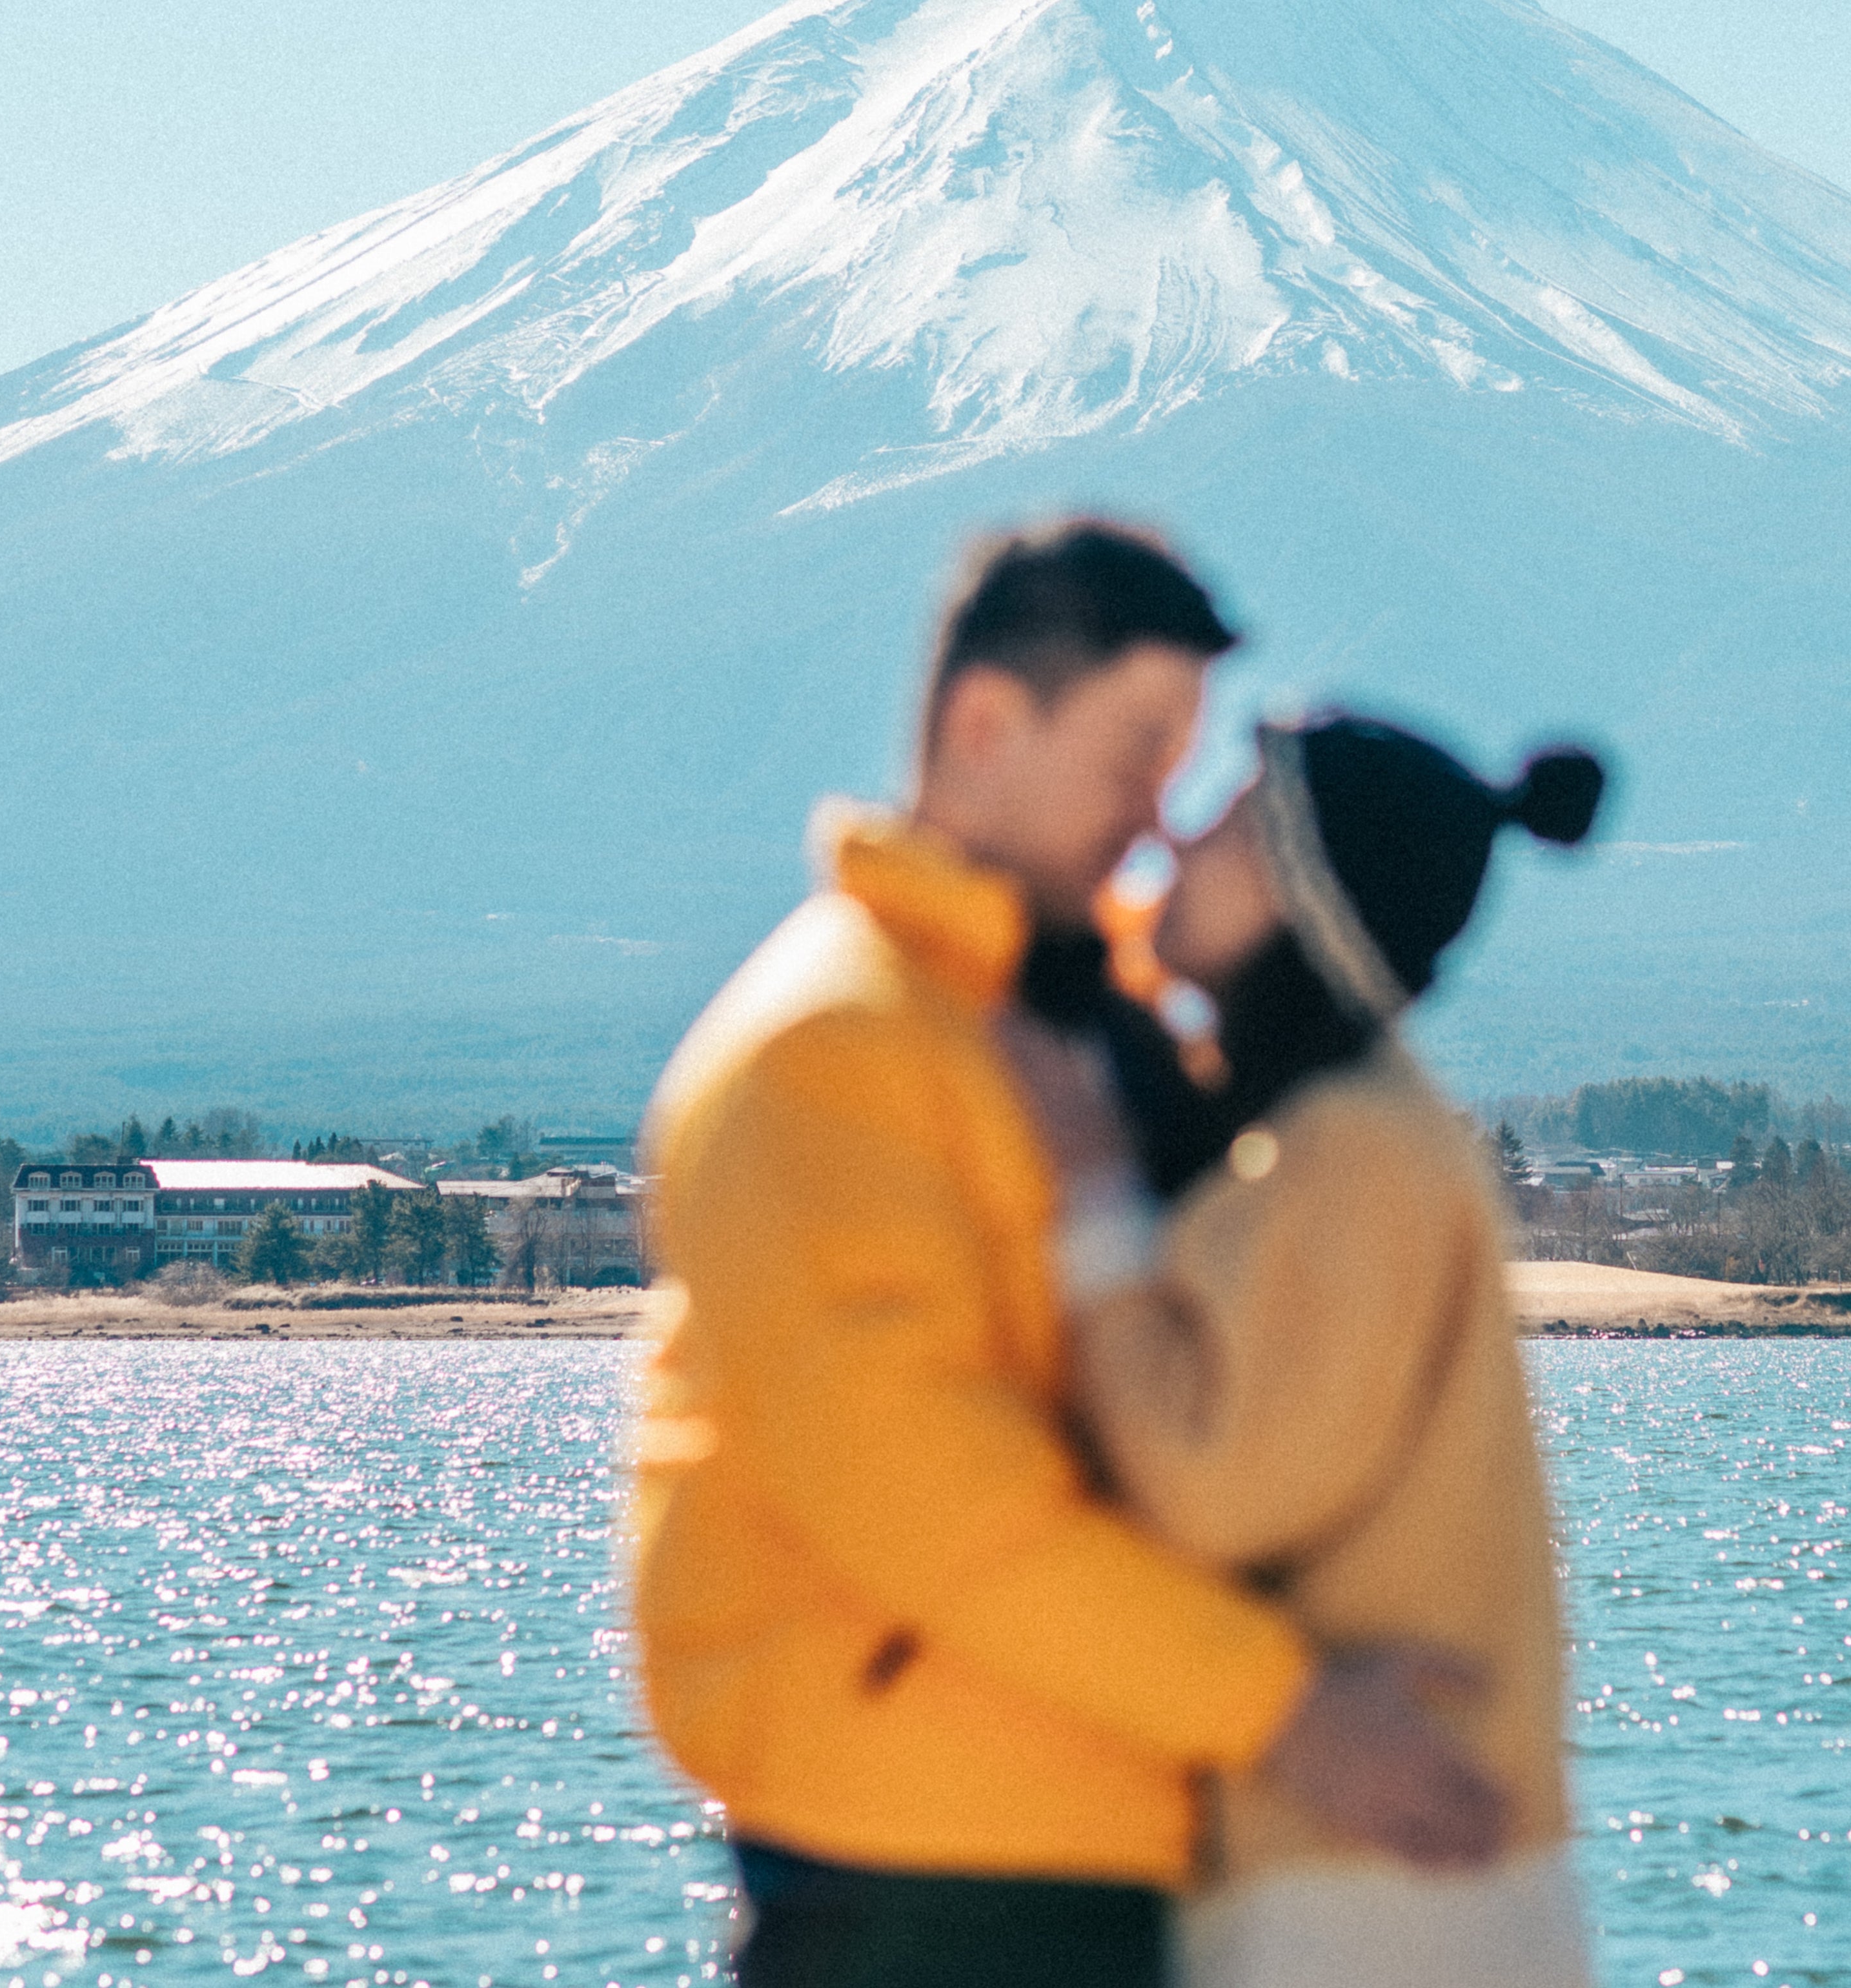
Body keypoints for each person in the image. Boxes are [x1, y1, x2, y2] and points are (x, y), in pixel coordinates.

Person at [627, 523, 1510, 1988]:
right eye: (1138, 752)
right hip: (918, 1875)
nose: (1162, 818)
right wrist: (1289, 1713)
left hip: (1083, 1843)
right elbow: (934, 1503)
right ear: (985, 726)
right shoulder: (828, 1050)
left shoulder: (1080, 1017)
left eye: (1185, 764)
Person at [1006, 711, 1606, 1988]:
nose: (1176, 829)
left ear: (1297, 888)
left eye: (1227, 818)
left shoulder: (1351, 1153)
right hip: (1388, 1868)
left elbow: (1215, 1479)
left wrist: (1098, 1216)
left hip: (1371, 1889)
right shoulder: (1350, 1132)